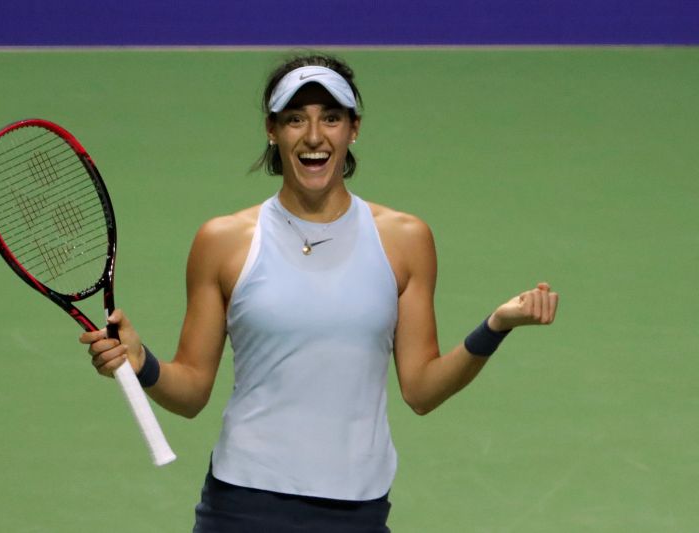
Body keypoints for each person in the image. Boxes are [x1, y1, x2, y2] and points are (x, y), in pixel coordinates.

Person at [80, 53, 559, 532]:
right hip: (243, 505)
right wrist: (141, 362)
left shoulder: (405, 240)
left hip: (358, 511)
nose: (314, 136)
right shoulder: (223, 241)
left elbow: (422, 390)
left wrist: (496, 326)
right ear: (272, 130)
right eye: (295, 119)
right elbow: (190, 393)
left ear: (354, 129)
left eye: (330, 118)